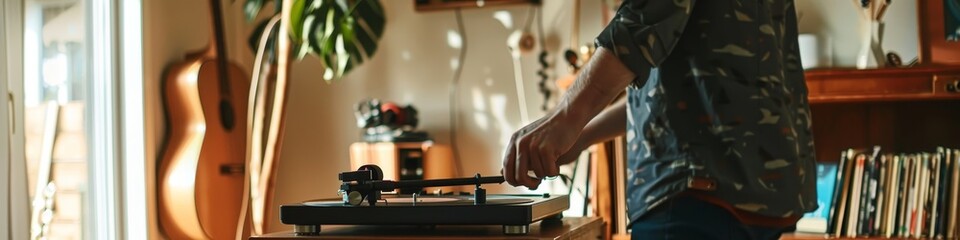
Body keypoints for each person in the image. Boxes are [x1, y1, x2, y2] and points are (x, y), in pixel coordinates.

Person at [501, 0, 817, 239]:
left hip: (696, 197)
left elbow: (635, 29)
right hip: (762, 194)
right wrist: (582, 135)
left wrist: (562, 120)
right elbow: (675, 94)